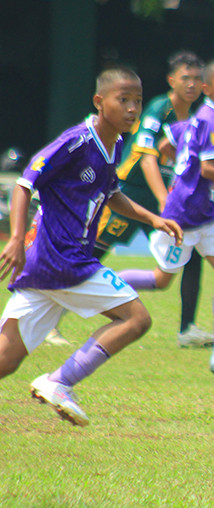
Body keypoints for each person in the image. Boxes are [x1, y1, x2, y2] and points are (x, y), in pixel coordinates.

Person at [0, 67, 183, 426]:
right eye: (123, 100)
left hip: (46, 267)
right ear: (100, 102)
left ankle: (58, 382)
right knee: (136, 319)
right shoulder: (77, 141)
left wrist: (154, 219)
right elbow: (24, 184)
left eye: (138, 102)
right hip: (63, 261)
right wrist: (17, 238)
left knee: (5, 359)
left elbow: (111, 195)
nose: (132, 108)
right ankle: (59, 382)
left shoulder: (111, 144)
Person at [115, 60, 214, 376]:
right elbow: (208, 168)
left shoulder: (197, 119)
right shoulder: (211, 119)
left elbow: (165, 145)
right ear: (208, 89)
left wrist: (181, 168)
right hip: (185, 214)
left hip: (202, 212)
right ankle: (96, 281)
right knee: (161, 281)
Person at [93, 51, 212, 349]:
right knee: (90, 255)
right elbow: (147, 158)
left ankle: (187, 330)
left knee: (189, 253)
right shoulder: (160, 108)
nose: (192, 84)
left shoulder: (195, 117)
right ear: (172, 80)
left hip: (159, 194)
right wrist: (164, 201)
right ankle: (50, 316)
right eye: (186, 78)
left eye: (197, 79)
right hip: (129, 190)